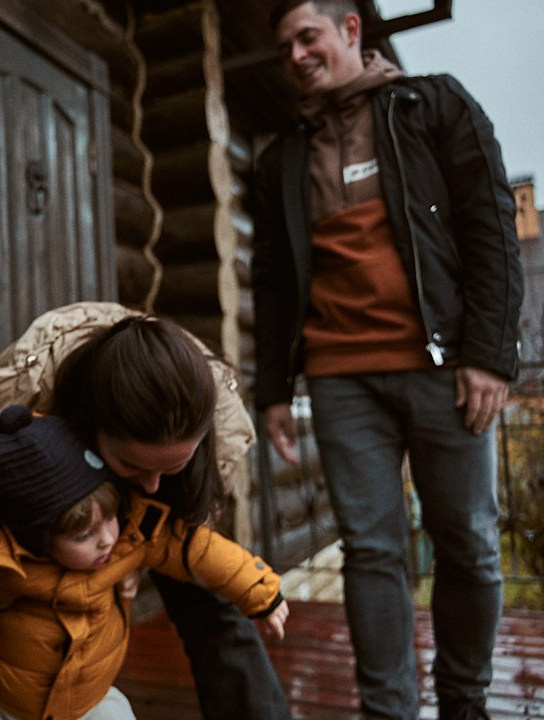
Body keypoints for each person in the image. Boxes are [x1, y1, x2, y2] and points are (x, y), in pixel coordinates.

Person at [251, 1, 524, 718]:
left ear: (350, 30)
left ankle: (464, 700)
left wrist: (491, 357)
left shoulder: (434, 106)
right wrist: (273, 391)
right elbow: (274, 283)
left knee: (467, 543)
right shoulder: (281, 158)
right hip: (341, 379)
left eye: (308, 38)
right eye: (285, 48)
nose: (296, 56)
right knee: (371, 552)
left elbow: (493, 228)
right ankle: (388, 709)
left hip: (447, 368)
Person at [0, 303, 294, 719]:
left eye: (172, 466)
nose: (150, 484)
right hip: (61, 492)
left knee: (210, 600)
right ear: (90, 426)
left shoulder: (219, 425)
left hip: (166, 500)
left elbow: (188, 537)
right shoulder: (26, 393)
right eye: (132, 466)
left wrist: (137, 556)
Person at [0, 403, 287, 720]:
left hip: (85, 700)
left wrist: (260, 590)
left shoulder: (131, 535)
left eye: (109, 518)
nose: (107, 537)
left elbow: (195, 548)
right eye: (83, 535)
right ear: (38, 537)